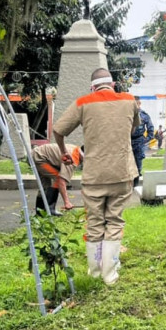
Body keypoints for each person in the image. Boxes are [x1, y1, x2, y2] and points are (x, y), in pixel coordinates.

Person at [53, 68, 139, 285]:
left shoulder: (83, 102)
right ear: (113, 84)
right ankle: (110, 274)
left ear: (92, 87)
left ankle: (94, 271)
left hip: (94, 175)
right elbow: (133, 127)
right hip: (122, 172)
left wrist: (64, 152)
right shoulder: (129, 100)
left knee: (95, 222)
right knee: (115, 220)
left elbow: (58, 129)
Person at [31, 142, 79, 214]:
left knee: (45, 186)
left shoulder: (76, 149)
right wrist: (67, 202)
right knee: (58, 178)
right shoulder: (73, 158)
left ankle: (40, 212)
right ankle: (50, 209)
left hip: (36, 154)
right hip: (39, 158)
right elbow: (61, 180)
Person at [131, 97, 154, 186]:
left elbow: (150, 129)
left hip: (139, 140)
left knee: (138, 160)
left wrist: (145, 140)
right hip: (128, 140)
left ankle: (137, 180)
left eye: (135, 103)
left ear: (139, 103)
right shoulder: (128, 114)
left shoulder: (144, 115)